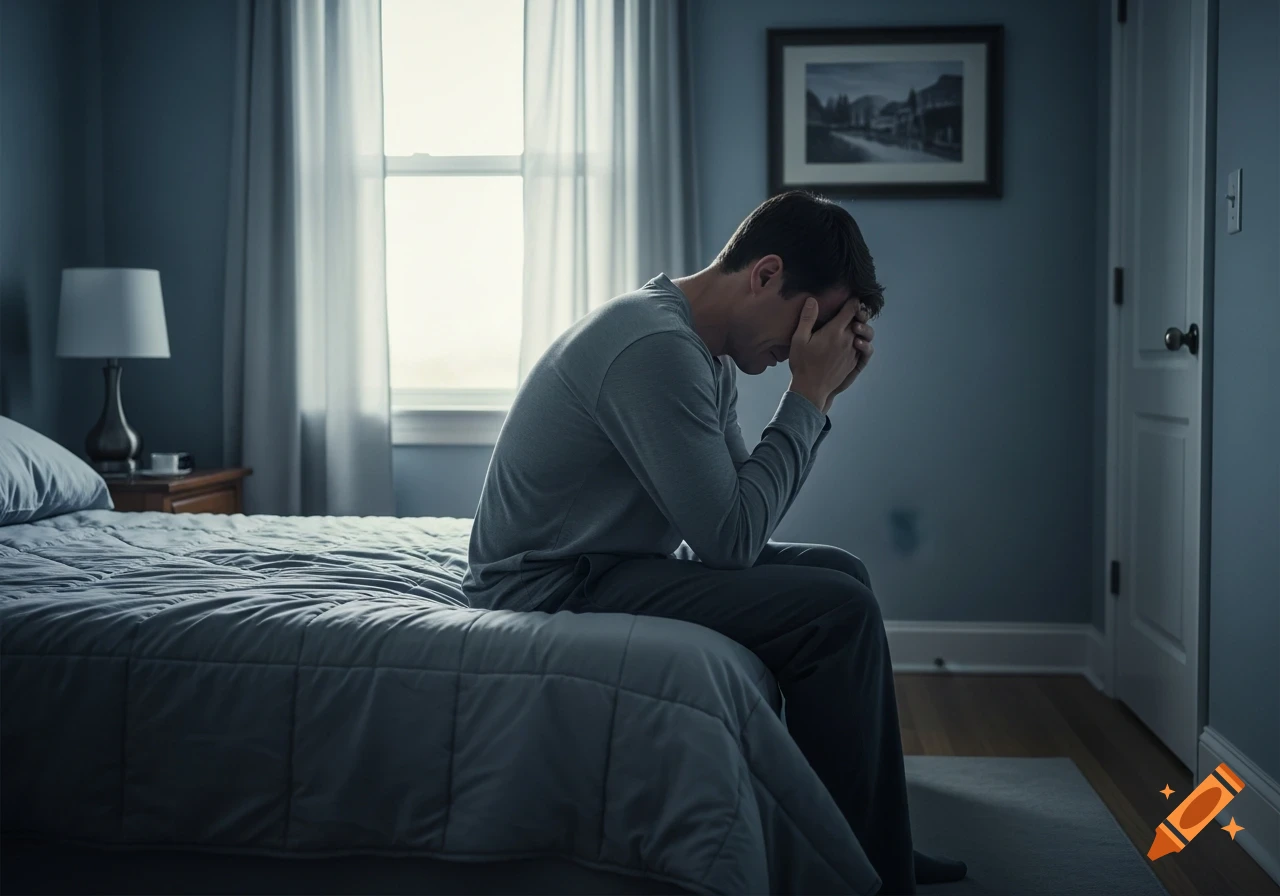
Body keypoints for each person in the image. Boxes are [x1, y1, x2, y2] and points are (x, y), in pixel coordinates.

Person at [462, 190, 965, 894]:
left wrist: (818, 398)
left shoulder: (699, 350)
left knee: (842, 575)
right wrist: (807, 398)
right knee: (837, 612)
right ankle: (862, 870)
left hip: (607, 564)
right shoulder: (656, 348)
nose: (801, 348)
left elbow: (739, 519)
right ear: (765, 274)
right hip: (547, 585)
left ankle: (871, 843)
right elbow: (731, 540)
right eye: (809, 322)